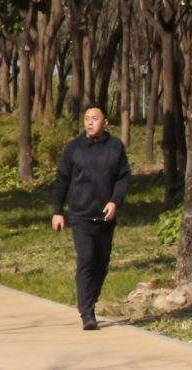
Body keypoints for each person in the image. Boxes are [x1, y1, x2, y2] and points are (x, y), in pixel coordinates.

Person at [52, 105, 131, 330]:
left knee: (101, 262)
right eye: (87, 118)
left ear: (105, 122)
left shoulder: (115, 147)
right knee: (86, 259)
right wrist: (58, 211)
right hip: (80, 215)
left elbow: (123, 177)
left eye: (95, 118)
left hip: (105, 216)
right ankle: (87, 312)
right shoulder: (73, 148)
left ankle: (91, 298)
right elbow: (62, 180)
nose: (90, 122)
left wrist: (115, 201)